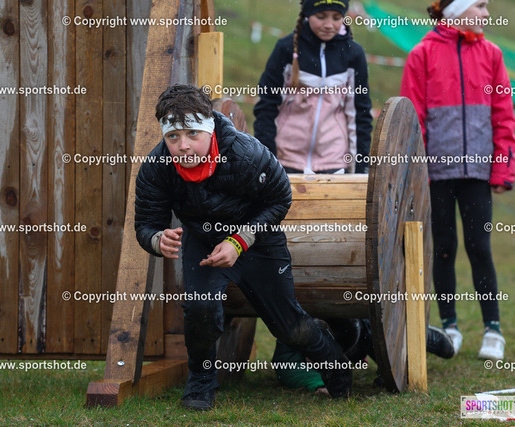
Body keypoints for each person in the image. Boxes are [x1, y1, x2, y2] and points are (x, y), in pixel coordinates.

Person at [135, 84, 353, 411]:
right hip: (204, 243)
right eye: (173, 137)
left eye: (192, 134)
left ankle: (335, 365)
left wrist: (239, 241)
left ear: (209, 128)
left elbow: (280, 199)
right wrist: (157, 239)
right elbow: (145, 223)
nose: (183, 145)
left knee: (288, 327)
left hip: (258, 241)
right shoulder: (156, 167)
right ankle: (201, 382)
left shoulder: (246, 153)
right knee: (199, 309)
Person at [400, 0, 515, 361]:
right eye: (480, 6)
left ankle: (493, 330)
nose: (486, 14)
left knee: (479, 247)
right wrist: (417, 172)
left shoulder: (493, 55)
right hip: (435, 175)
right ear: (457, 11)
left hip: (477, 174)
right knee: (444, 248)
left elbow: (504, 116)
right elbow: (412, 117)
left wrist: (502, 169)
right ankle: (449, 325)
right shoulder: (421, 54)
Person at [253, 0, 372, 174]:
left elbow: (360, 114)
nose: (329, 24)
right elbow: (266, 107)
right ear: (307, 14)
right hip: (285, 160)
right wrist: (267, 161)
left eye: (336, 17)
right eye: (321, 17)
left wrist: (360, 169)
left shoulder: (354, 54)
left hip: (335, 162)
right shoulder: (285, 49)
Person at [272, 319, 455, 394]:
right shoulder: (292, 336)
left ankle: (427, 334)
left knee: (445, 348)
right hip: (346, 341)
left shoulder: (362, 334)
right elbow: (285, 368)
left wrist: (388, 372)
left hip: (363, 327)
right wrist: (319, 384)